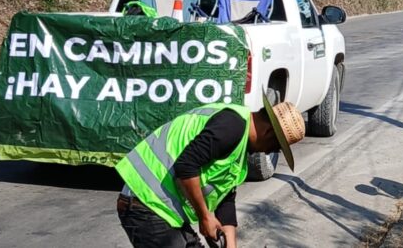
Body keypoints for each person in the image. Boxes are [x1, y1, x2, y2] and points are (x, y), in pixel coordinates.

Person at [115, 93, 305, 247]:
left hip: (162, 210)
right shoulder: (233, 126)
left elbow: (225, 199)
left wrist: (230, 245)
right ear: (268, 132)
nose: (270, 152)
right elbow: (186, 166)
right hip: (144, 203)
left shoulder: (240, 147)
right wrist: (205, 217)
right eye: (275, 146)